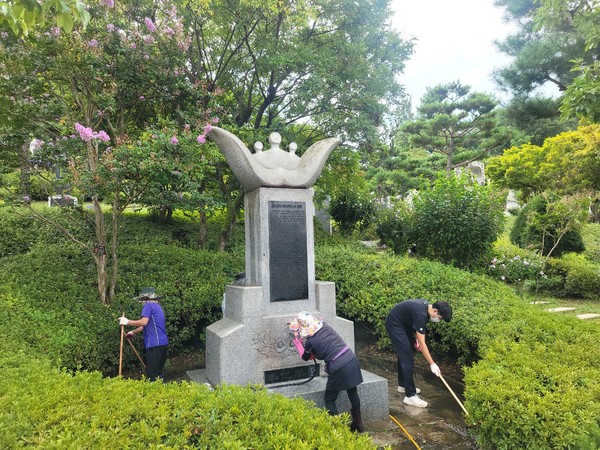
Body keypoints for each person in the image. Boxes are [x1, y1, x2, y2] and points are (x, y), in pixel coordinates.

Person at [289, 312, 364, 432]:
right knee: (352, 391)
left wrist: (297, 342)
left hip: (338, 367)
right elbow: (326, 345)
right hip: (350, 358)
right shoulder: (325, 326)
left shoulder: (310, 342)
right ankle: (358, 424)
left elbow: (305, 357)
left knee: (329, 399)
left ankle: (338, 430)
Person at [385, 299, 452, 408]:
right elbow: (422, 343)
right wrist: (432, 364)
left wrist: (416, 339)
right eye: (439, 318)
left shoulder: (425, 309)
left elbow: (417, 330)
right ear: (435, 311)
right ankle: (410, 396)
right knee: (407, 358)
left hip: (403, 326)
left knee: (407, 353)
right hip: (395, 325)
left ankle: (403, 385)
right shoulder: (421, 313)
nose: (438, 320)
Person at [119, 287, 169, 382]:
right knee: (158, 373)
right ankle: (163, 393)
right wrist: (132, 332)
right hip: (163, 344)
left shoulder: (148, 306)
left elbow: (144, 322)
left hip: (154, 344)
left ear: (145, 299)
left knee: (152, 376)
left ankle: (155, 395)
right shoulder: (157, 307)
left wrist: (127, 322)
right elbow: (145, 326)